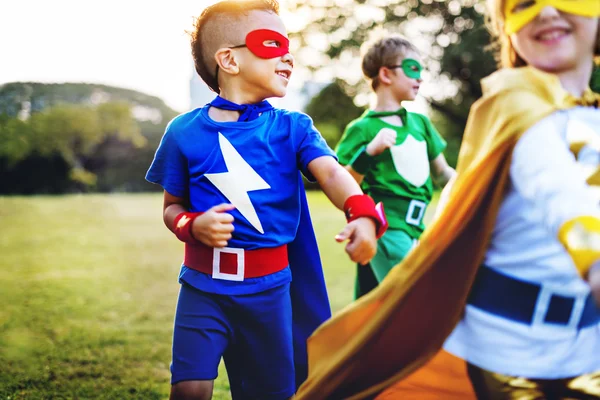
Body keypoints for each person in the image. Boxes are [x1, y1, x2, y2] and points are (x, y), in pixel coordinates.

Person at [295, 0, 600, 399]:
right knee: (405, 308)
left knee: (393, 304)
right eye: (524, 4)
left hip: (575, 341)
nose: (545, 12)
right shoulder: (513, 105)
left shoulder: (421, 123)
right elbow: (340, 178)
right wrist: (367, 159)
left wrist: (478, 192)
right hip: (397, 231)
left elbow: (453, 177)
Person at [145, 1, 387, 399]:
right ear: (229, 59)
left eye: (288, 45)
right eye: (272, 43)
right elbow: (172, 207)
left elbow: (330, 172)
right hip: (203, 288)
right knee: (188, 389)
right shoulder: (182, 132)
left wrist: (362, 213)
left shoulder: (293, 127)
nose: (287, 56)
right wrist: (192, 225)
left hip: (271, 293)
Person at [335, 33, 455, 300]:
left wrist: (478, 185)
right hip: (385, 229)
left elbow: (444, 173)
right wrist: (368, 153)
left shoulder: (420, 123)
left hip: (416, 229)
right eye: (413, 68)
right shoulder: (362, 128)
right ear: (386, 75)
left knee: (370, 311)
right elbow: (340, 182)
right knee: (416, 299)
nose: (420, 77)